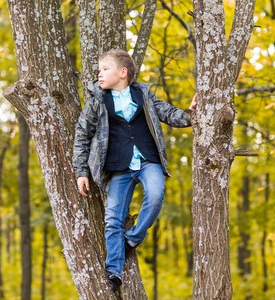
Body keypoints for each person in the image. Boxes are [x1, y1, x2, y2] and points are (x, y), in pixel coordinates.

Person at [72, 49, 197, 292]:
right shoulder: (97, 101)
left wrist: (191, 113)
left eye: (105, 69)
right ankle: (114, 270)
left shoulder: (144, 95)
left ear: (123, 72)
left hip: (148, 160)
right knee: (113, 218)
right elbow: (82, 135)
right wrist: (81, 171)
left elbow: (170, 114)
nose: (99, 74)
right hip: (118, 167)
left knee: (155, 194)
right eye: (99, 70)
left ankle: (134, 238)